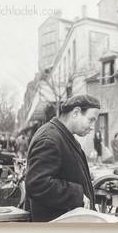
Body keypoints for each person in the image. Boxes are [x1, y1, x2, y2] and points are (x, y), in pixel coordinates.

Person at [25, 94, 100, 222]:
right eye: (91, 119)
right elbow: (37, 184)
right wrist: (77, 195)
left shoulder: (60, 135)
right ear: (76, 112)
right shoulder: (50, 139)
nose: (92, 126)